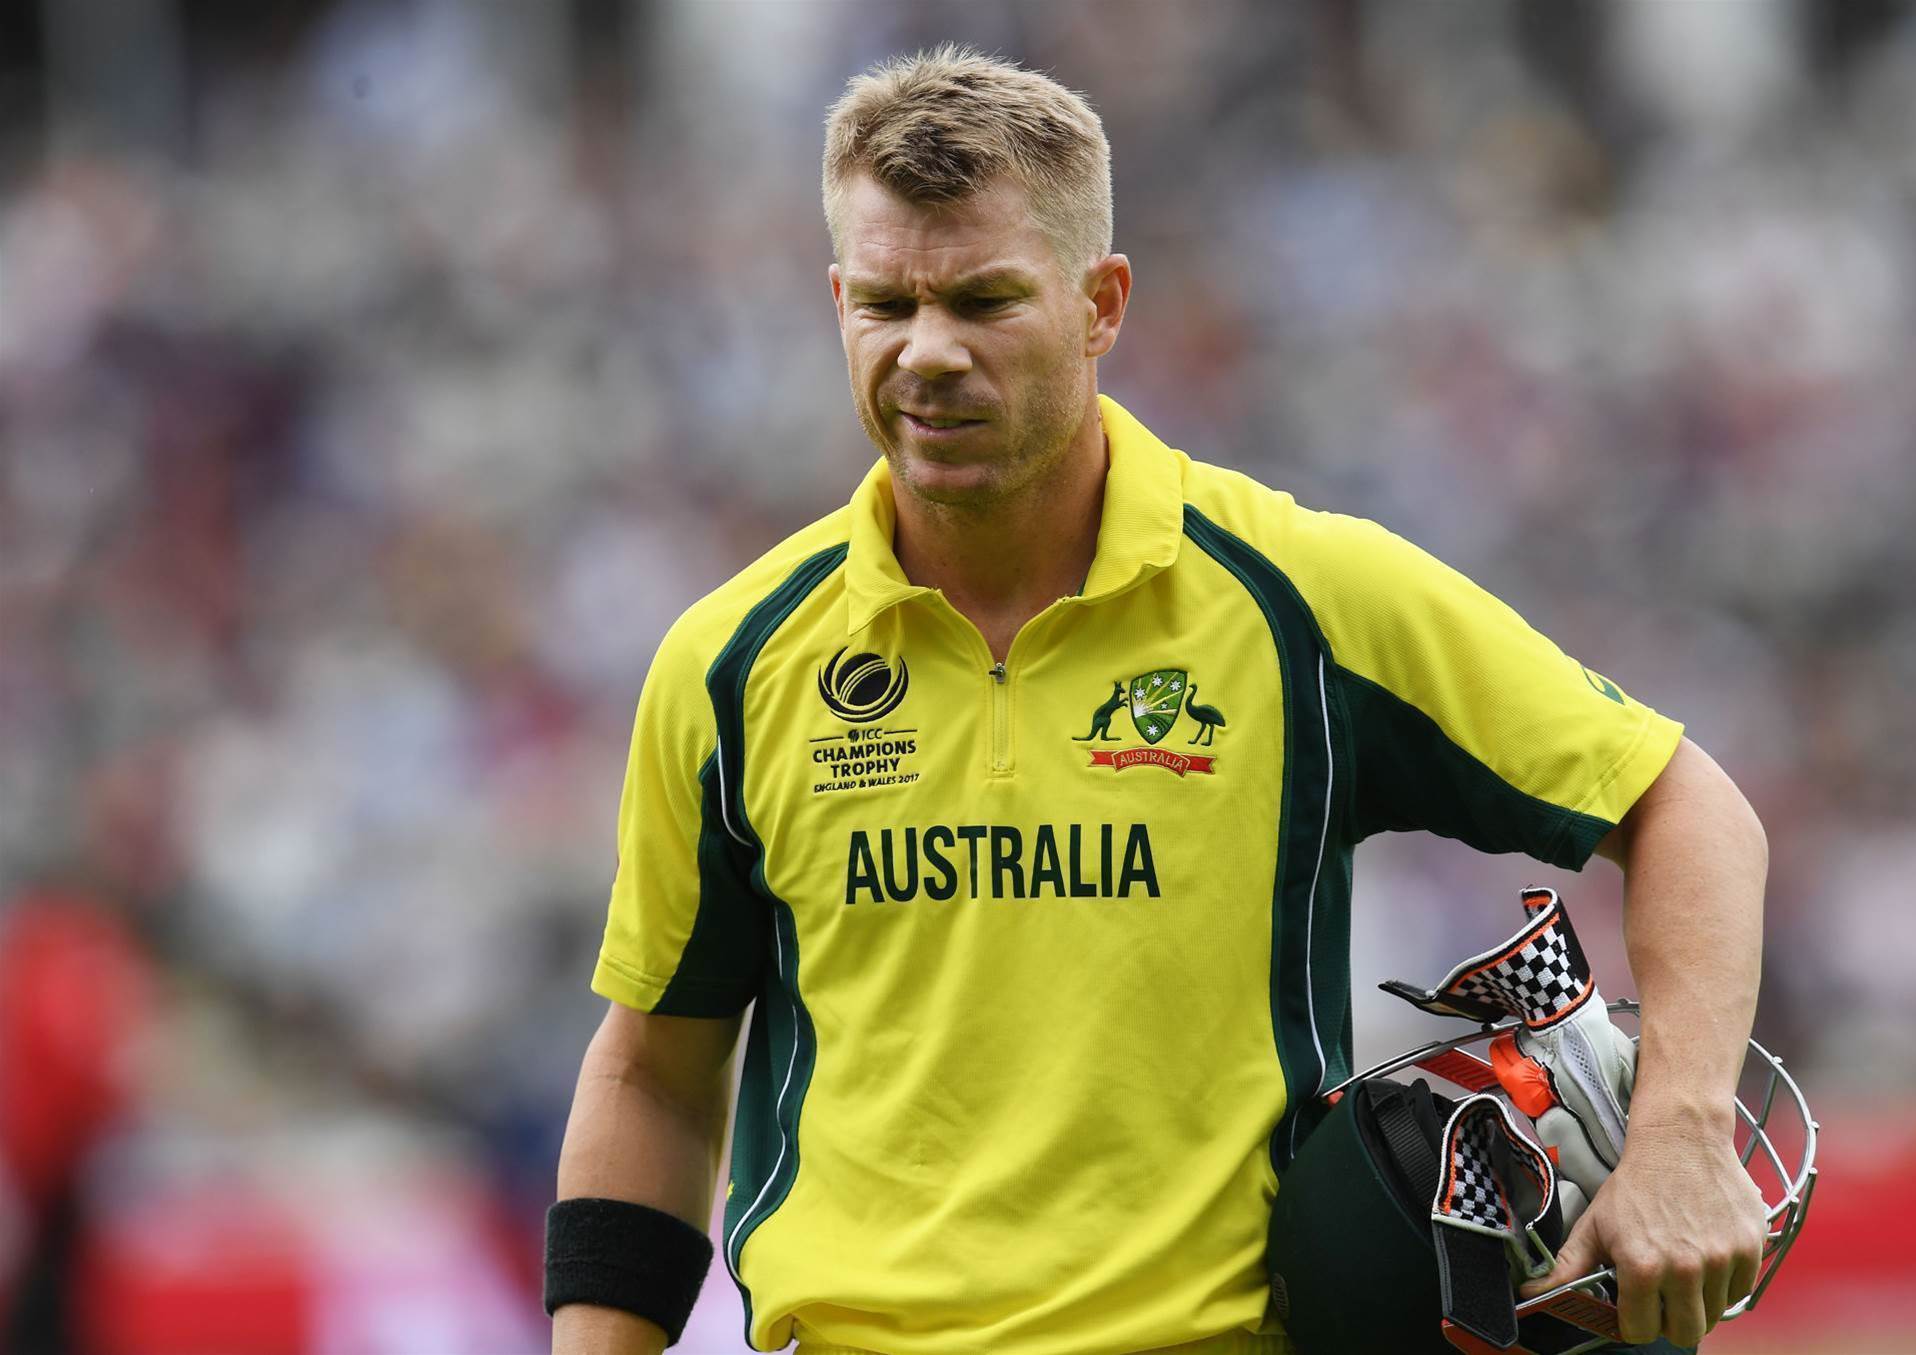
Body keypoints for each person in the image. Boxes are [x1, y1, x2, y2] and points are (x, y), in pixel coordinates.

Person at [547, 46, 1767, 1355]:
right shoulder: (732, 663)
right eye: (887, 303)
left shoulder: (1302, 599)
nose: (928, 351)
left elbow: (1684, 804)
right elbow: (653, 1074)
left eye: (985, 300)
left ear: (1102, 305)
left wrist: (1683, 1129)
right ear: (838, 300)